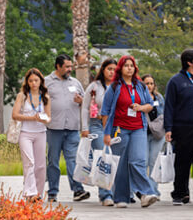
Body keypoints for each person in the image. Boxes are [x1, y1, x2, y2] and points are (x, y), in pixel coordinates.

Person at [101, 55, 158, 208]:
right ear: (121, 68)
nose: (129, 68)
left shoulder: (140, 86)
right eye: (126, 65)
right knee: (120, 164)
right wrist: (106, 133)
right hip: (119, 129)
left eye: (131, 65)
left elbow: (150, 105)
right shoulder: (114, 87)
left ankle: (146, 193)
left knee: (137, 160)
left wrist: (140, 107)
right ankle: (121, 198)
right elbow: (105, 111)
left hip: (138, 128)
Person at [163, 49, 193, 206]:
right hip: (182, 127)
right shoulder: (176, 81)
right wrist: (168, 128)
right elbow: (169, 106)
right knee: (181, 163)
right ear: (189, 62)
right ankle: (180, 193)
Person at [45, 54, 90, 203]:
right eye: (67, 67)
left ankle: (78, 190)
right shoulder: (46, 82)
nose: (70, 69)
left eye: (71, 66)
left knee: (73, 160)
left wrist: (81, 101)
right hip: (54, 128)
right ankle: (52, 192)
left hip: (72, 128)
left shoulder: (75, 83)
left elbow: (87, 103)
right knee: (53, 161)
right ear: (58, 66)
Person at [12, 68, 52, 201]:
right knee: (29, 162)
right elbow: (15, 115)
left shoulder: (45, 97)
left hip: (40, 132)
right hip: (25, 133)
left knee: (40, 165)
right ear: (27, 82)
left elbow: (49, 117)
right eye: (30, 81)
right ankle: (30, 192)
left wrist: (44, 119)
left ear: (41, 81)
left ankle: (38, 194)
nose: (34, 83)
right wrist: (32, 118)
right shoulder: (22, 96)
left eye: (36, 80)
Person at [82, 58, 117, 206]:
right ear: (103, 70)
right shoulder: (94, 87)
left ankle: (118, 192)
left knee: (115, 159)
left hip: (116, 125)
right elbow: (85, 108)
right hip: (97, 125)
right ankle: (105, 195)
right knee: (103, 157)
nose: (112, 72)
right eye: (109, 69)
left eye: (114, 69)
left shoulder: (119, 86)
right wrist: (85, 128)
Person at [142, 74, 166, 196]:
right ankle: (143, 190)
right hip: (143, 134)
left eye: (151, 83)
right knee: (144, 161)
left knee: (154, 162)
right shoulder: (139, 97)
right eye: (147, 83)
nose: (149, 86)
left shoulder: (159, 98)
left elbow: (164, 114)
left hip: (158, 134)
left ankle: (153, 191)